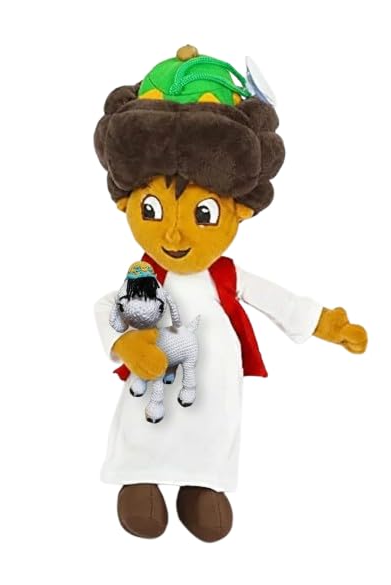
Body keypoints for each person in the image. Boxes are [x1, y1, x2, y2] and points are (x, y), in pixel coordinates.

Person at [93, 46, 368, 542]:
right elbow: (107, 307)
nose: (173, 235)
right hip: (154, 385)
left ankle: (202, 487)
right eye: (152, 210)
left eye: (203, 214)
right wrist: (126, 342)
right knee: (143, 426)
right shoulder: (144, 275)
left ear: (239, 210)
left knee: (211, 430)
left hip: (213, 391)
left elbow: (278, 302)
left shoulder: (225, 276)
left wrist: (325, 323)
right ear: (126, 203)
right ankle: (140, 479)